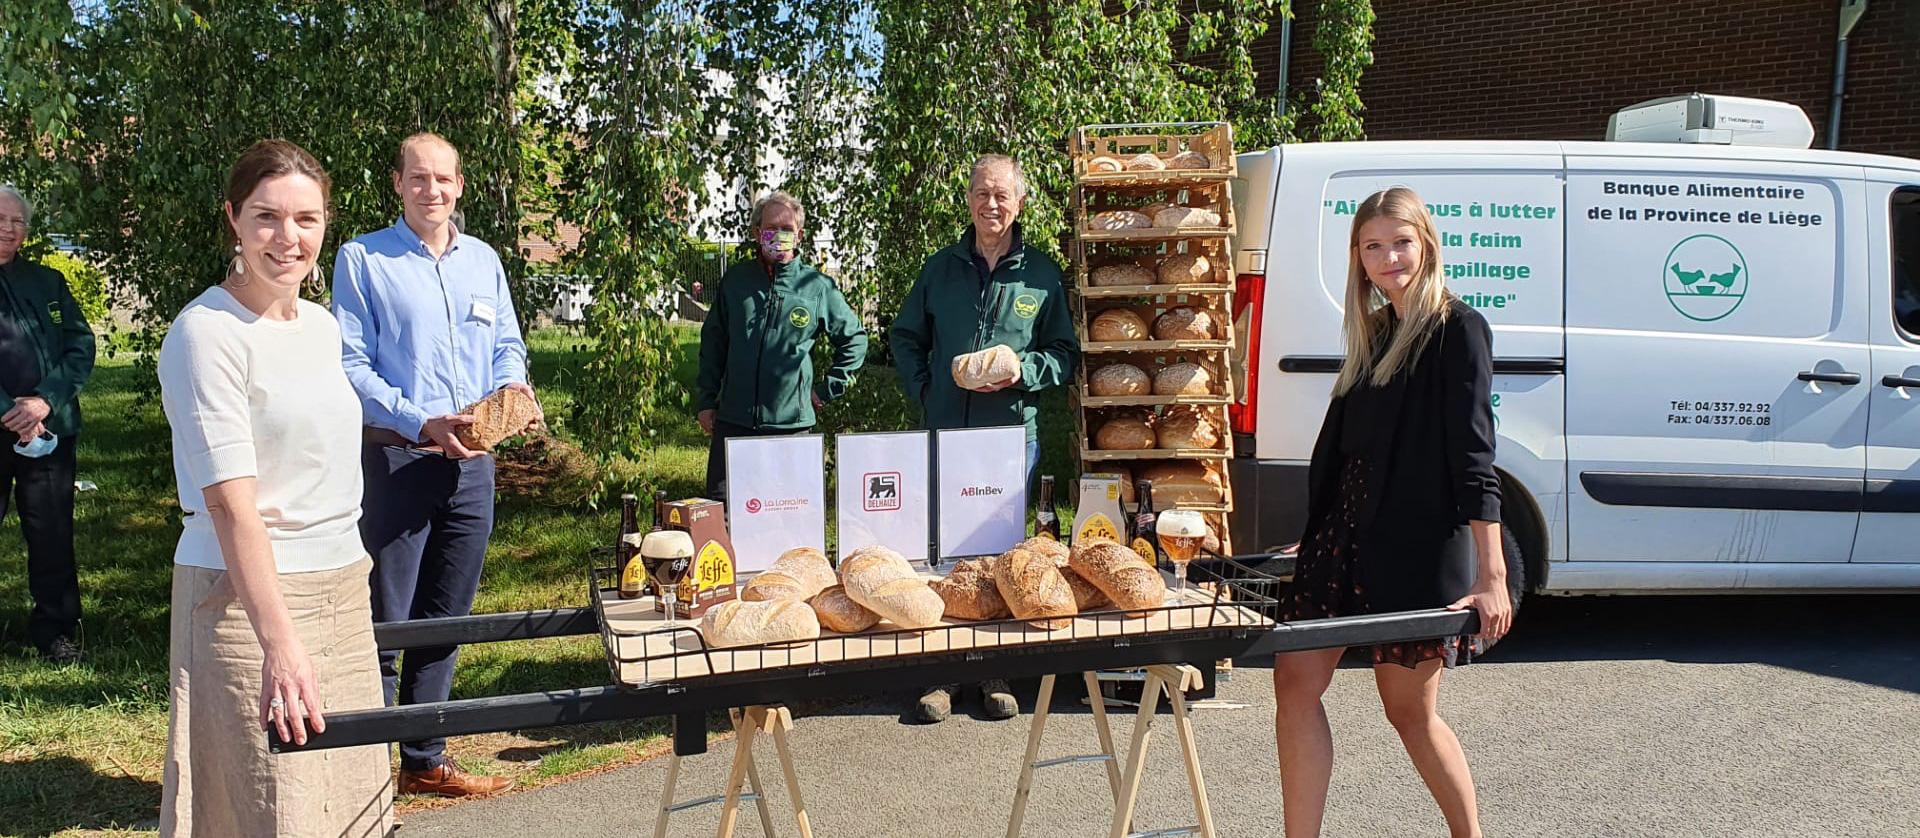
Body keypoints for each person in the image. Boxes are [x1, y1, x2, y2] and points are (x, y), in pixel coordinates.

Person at [158, 139, 391, 837]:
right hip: (244, 601)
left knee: (351, 797)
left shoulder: (321, 327)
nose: (287, 239)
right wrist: (279, 645)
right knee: (266, 806)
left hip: (342, 586)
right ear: (233, 219)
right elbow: (231, 505)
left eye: (307, 219)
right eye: (267, 217)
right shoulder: (207, 333)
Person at [1271, 186, 1514, 838]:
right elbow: (1345, 449)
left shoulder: (1459, 330)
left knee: (1407, 711)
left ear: (1426, 245)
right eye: (1373, 246)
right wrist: (1313, 535)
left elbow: (1473, 457)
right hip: (1342, 540)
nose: (1389, 258)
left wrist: (1491, 575)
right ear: (1359, 257)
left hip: (1413, 547)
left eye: (1400, 243)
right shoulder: (1374, 332)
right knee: (1294, 685)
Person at [332, 132, 532, 797]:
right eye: (419, 178)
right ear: (396, 183)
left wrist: (514, 391)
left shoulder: (484, 261)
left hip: (472, 467)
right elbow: (350, 364)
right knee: (385, 624)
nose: (432, 191)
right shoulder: (364, 259)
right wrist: (421, 420)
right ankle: (362, 773)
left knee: (447, 618)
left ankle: (423, 759)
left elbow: (507, 344)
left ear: (460, 185)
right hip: (398, 460)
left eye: (444, 179)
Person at [889, 154, 1078, 723]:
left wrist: (1026, 371)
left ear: (1019, 203)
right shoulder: (939, 269)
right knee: (945, 554)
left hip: (1007, 437)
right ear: (968, 200)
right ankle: (942, 673)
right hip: (947, 432)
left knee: (999, 554)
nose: (990, 204)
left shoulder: (1040, 275)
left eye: (1001, 195)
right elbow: (904, 336)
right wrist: (926, 392)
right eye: (981, 193)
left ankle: (995, 669)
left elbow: (1064, 355)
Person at [695, 191, 867, 500]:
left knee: (790, 516)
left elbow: (854, 340)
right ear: (757, 233)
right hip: (734, 423)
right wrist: (706, 400)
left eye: (787, 229)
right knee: (724, 514)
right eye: (770, 228)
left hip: (792, 426)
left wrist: (827, 389)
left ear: (799, 236)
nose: (779, 236)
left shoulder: (816, 287)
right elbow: (714, 343)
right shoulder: (736, 282)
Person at [0, 183, 94, 664]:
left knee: (52, 534)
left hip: (50, 430)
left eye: (17, 221)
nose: (9, 229)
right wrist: (8, 410)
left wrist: (44, 403)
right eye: (1, 219)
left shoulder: (47, 281)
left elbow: (81, 346)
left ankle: (55, 630)